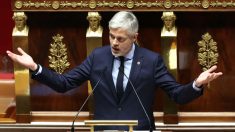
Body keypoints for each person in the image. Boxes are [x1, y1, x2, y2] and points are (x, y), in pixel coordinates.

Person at [6, 11, 222, 131]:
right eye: (111, 36)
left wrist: (197, 84)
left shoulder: (151, 60)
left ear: (134, 37)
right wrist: (35, 67)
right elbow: (65, 84)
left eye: (121, 38)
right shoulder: (98, 57)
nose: (114, 43)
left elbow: (176, 94)